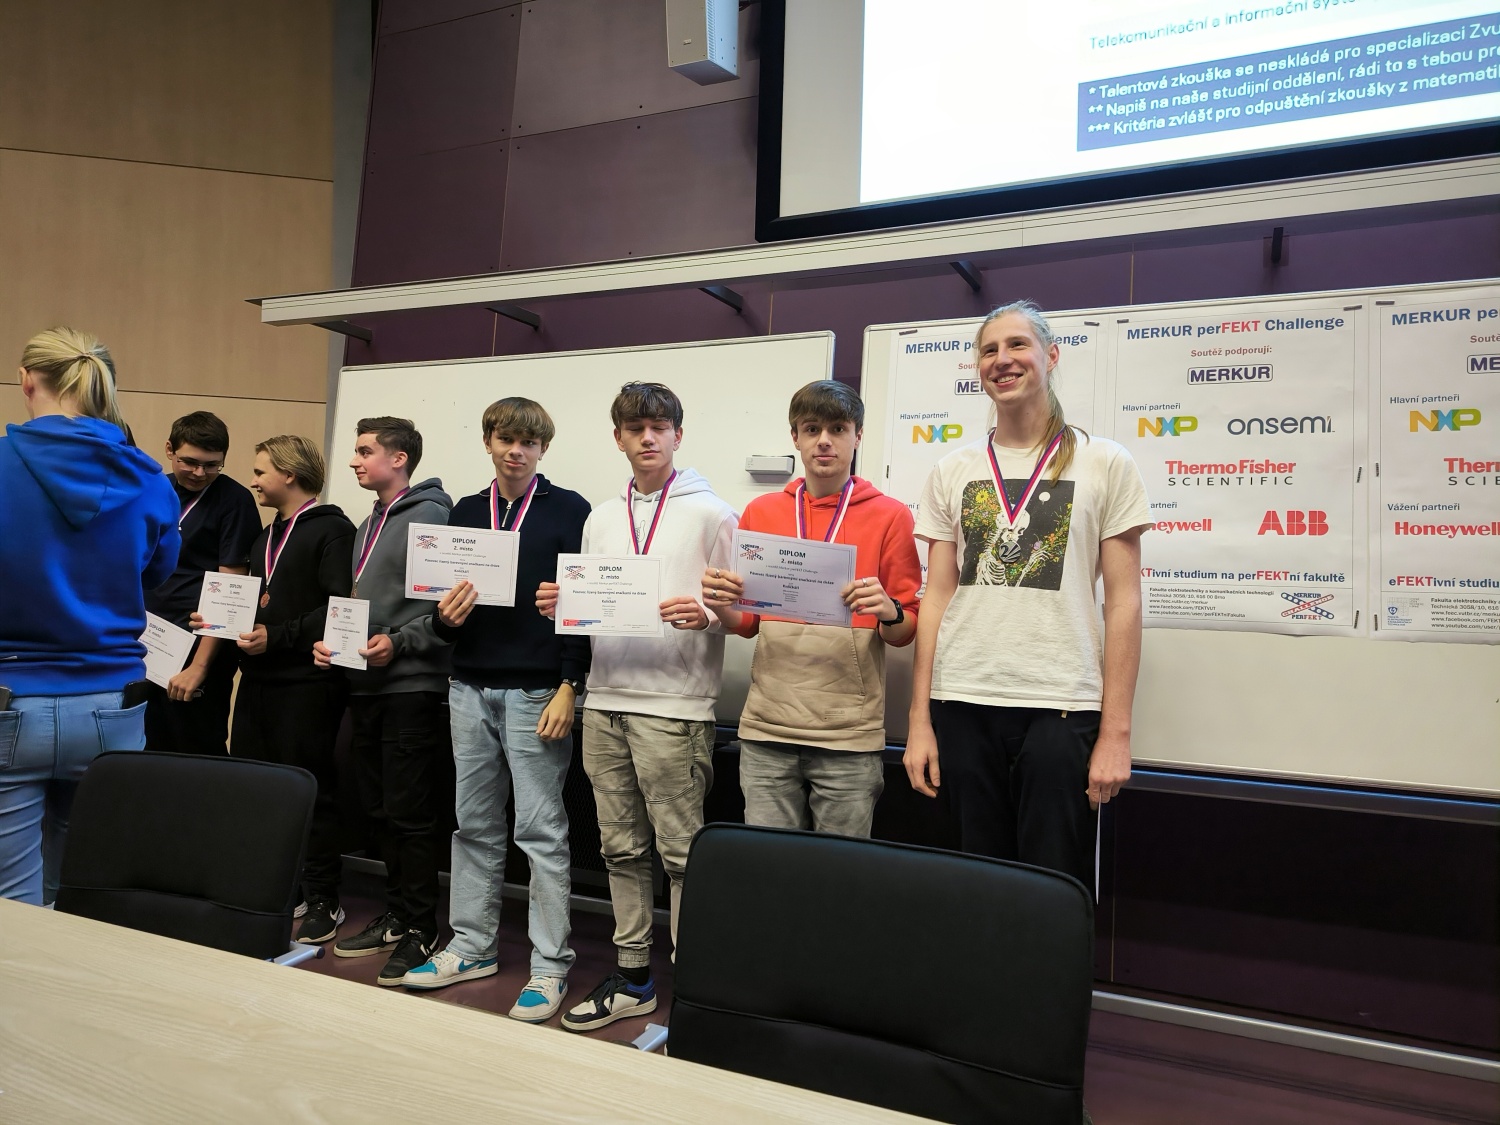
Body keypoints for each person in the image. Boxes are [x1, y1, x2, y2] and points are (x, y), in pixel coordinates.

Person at [903, 300, 1149, 893]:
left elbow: (1124, 604)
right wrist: (919, 719)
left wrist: (1116, 733)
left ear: (1051, 356)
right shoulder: (952, 469)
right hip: (963, 700)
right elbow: (936, 598)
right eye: (989, 350)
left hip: (1062, 704)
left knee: (1051, 888)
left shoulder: (1104, 462)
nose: (1002, 360)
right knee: (977, 885)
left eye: (1017, 345)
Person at [538, 381, 736, 1033]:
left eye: (659, 426)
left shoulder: (713, 513)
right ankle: (633, 977)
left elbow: (739, 609)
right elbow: (590, 604)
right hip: (605, 702)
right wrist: (562, 604)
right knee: (620, 848)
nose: (647, 437)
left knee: (681, 855)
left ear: (678, 434)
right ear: (618, 437)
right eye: (634, 428)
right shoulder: (600, 516)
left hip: (674, 707)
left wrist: (707, 614)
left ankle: (696, 987)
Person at [402, 398, 591, 1024]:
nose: (517, 451)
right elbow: (443, 615)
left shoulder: (570, 511)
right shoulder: (462, 512)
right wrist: (443, 619)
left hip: (537, 692)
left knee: (540, 832)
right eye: (507, 439)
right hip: (468, 687)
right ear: (488, 442)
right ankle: (472, 946)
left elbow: (582, 608)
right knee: (473, 825)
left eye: (529, 442)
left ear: (543, 449)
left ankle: (550, 965)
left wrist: (570, 684)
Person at [0, 327, 179, 903]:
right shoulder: (149, 479)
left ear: (26, 380)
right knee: (85, 892)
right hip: (111, 704)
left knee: (10, 904)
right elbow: (155, 573)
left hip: (10, 701)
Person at [701, 380, 920, 837]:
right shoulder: (761, 511)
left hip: (848, 733)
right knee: (769, 862)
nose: (824, 440)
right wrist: (722, 605)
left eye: (838, 429)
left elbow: (904, 632)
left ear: (858, 436)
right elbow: (748, 624)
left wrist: (889, 611)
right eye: (812, 428)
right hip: (767, 726)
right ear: (795, 437)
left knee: (839, 868)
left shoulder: (890, 515)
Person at [311, 418, 453, 984]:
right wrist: (335, 645)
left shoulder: (432, 516)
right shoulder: (371, 520)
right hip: (365, 683)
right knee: (378, 810)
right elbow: (359, 606)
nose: (354, 461)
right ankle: (396, 915)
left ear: (399, 459)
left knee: (410, 813)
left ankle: (421, 927)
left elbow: (446, 609)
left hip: (411, 686)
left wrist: (399, 642)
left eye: (365, 451)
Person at [210, 435, 355, 943]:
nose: (252, 481)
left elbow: (338, 608)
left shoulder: (333, 530)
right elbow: (259, 601)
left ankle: (324, 897)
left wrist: (280, 635)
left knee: (310, 789)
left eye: (260, 471)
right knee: (259, 786)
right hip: (258, 682)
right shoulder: (264, 537)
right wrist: (221, 619)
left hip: (308, 684)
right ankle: (281, 888)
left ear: (289, 474)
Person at [143, 412, 260, 756]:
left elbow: (231, 591)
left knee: (194, 747)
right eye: (190, 462)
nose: (199, 473)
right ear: (169, 450)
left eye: (211, 465)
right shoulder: (154, 490)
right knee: (145, 746)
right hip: (146, 641)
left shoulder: (234, 501)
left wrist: (199, 667)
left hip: (197, 646)